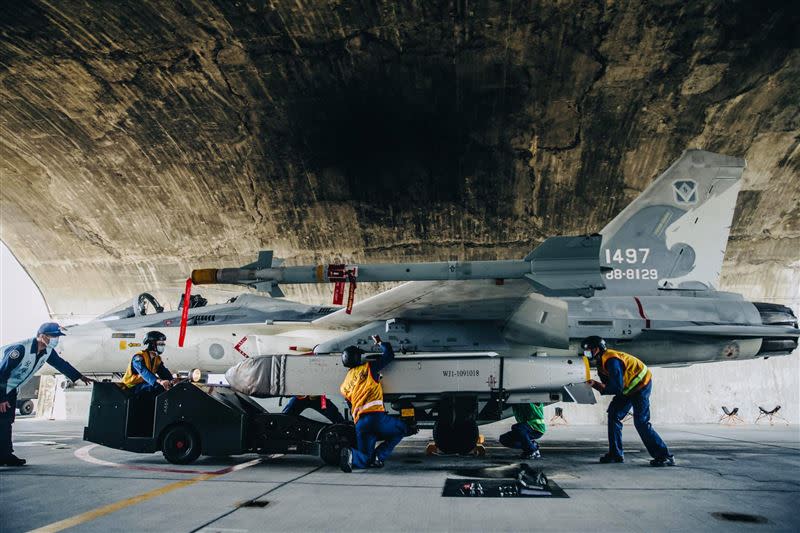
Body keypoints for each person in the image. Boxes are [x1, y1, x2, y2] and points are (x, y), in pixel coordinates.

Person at [0, 322, 94, 467]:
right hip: (2, 388)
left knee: (6, 421)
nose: (56, 339)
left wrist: (79, 376)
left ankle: (5, 455)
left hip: (10, 389)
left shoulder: (47, 351)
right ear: (42, 336)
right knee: (3, 420)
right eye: (54, 336)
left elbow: (61, 364)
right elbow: (2, 373)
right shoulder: (20, 350)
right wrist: (2, 398)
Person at [583, 336, 675, 467]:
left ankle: (664, 456)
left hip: (641, 385)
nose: (587, 353)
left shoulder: (611, 360)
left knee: (641, 422)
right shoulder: (601, 361)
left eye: (588, 350)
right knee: (614, 415)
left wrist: (596, 385)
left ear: (597, 349)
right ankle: (616, 454)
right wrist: (598, 385)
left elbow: (616, 387)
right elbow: (610, 384)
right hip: (627, 389)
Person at [339, 335, 407, 472]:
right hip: (376, 417)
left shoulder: (344, 384)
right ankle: (379, 456)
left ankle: (353, 455)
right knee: (402, 429)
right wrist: (380, 343)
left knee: (365, 458)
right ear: (358, 358)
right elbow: (389, 355)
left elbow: (349, 403)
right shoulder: (368, 369)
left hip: (360, 423)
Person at [121, 331, 176, 395]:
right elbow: (144, 372)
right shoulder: (138, 358)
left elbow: (163, 372)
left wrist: (172, 381)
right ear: (152, 344)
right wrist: (160, 381)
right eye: (160, 344)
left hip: (143, 385)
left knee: (166, 387)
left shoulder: (157, 359)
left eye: (163, 344)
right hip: (130, 387)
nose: (163, 346)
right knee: (157, 387)